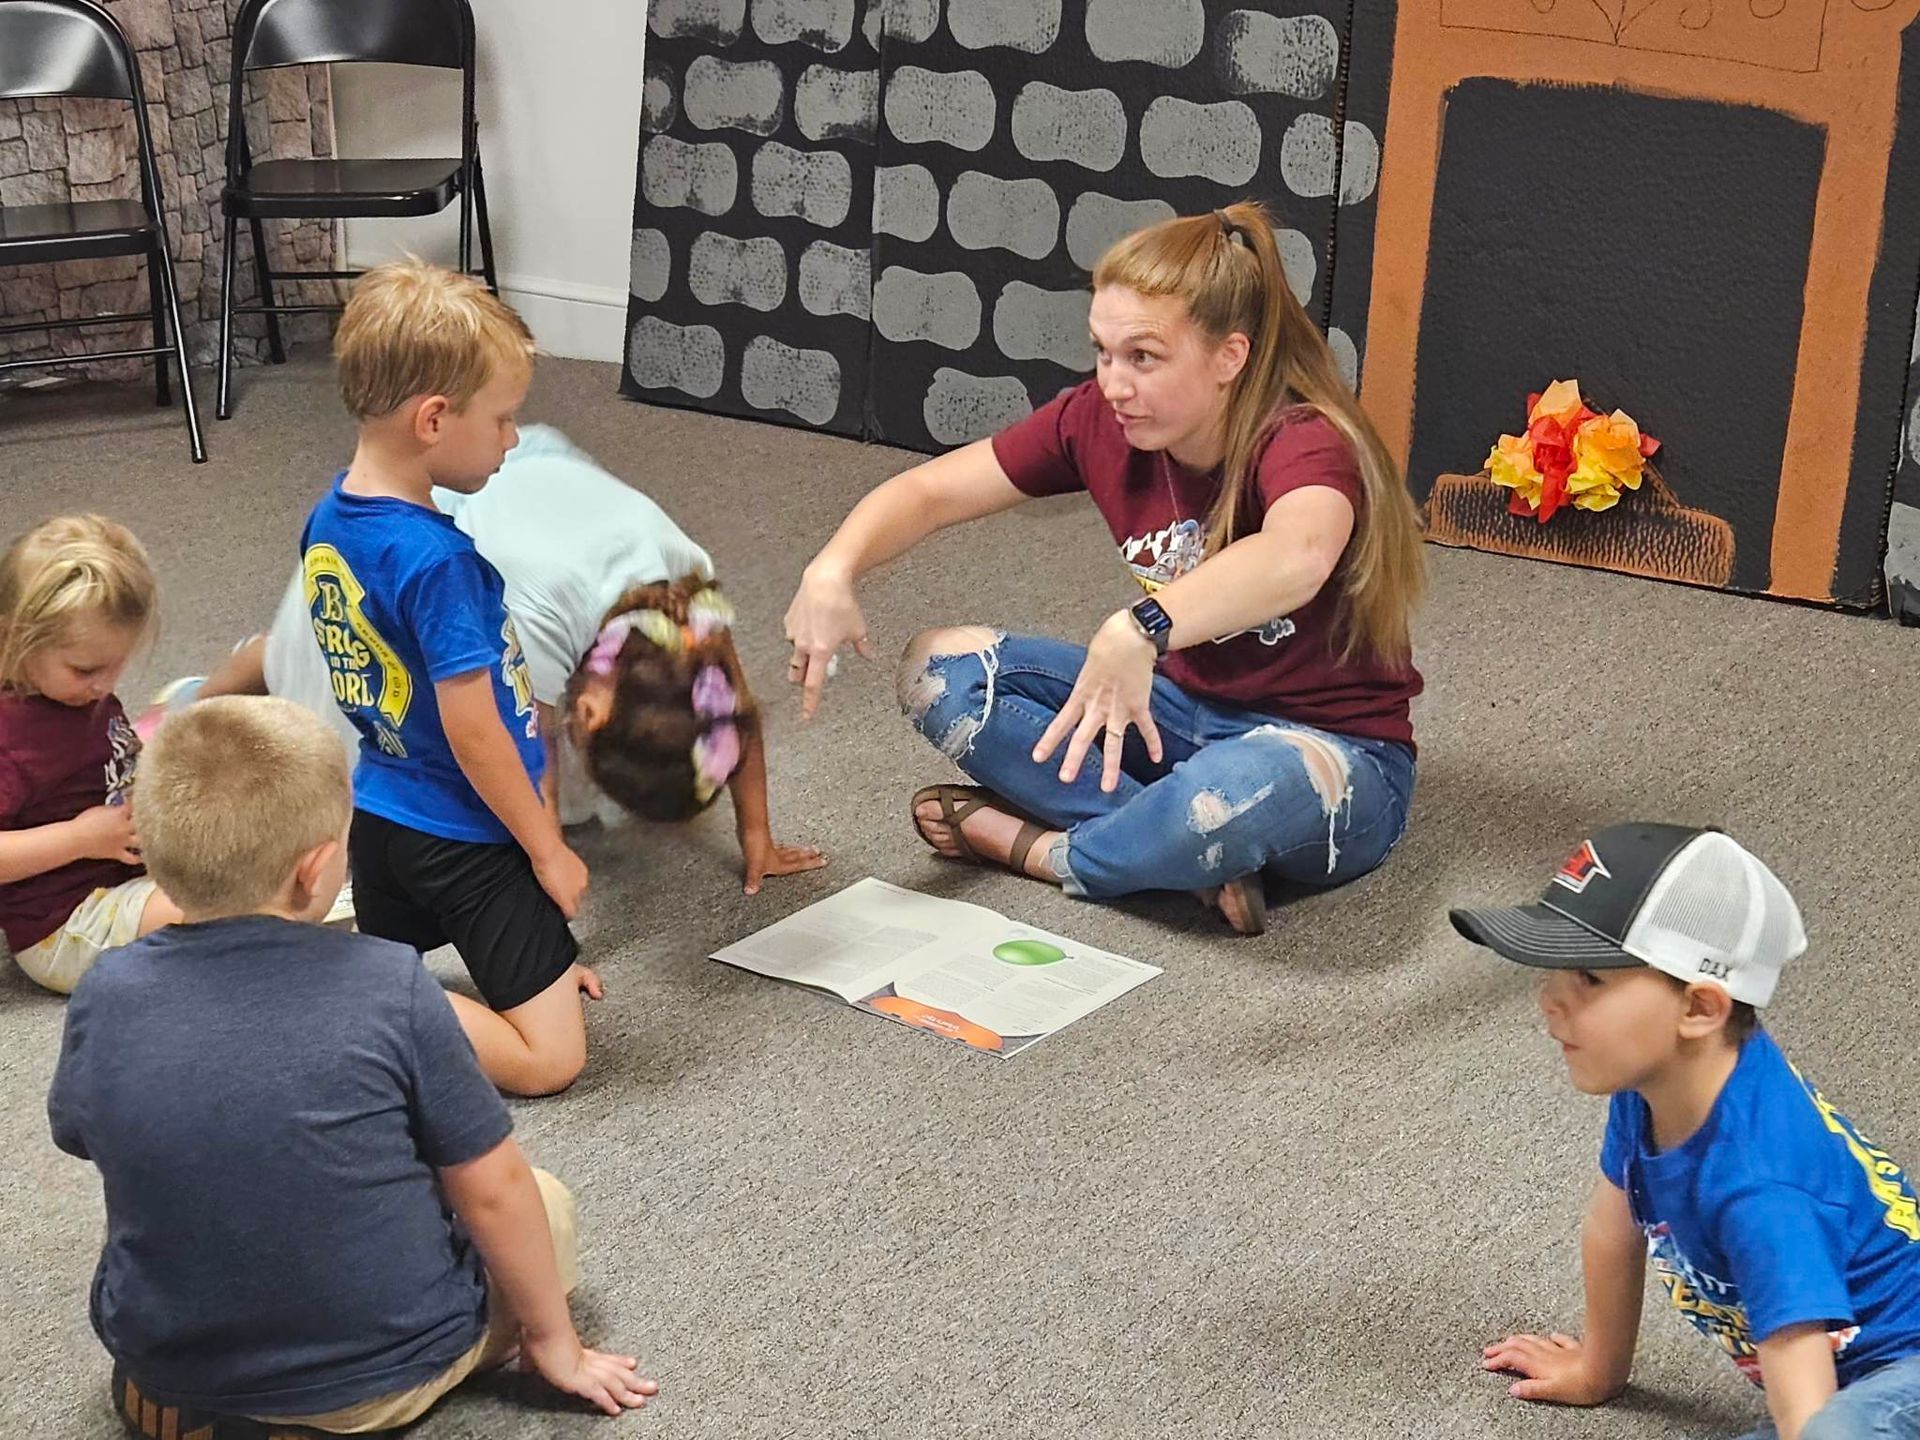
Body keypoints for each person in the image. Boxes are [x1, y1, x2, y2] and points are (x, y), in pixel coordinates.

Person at [783, 201, 1426, 935]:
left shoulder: (1305, 440)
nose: (1114, 384)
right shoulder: (1099, 419)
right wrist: (832, 569)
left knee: (1223, 797)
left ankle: (1047, 850)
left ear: (1229, 357)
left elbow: (1297, 556)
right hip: (1178, 716)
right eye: (1103, 352)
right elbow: (931, 491)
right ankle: (1178, 850)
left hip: (1332, 754)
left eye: (1143, 358)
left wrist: (1142, 625)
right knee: (940, 674)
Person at [49, 696, 655, 1433]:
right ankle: (335, 1403)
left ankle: (201, 1395)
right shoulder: (390, 986)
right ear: (315, 872)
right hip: (373, 1374)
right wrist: (554, 1343)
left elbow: (88, 1134)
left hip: (168, 1356)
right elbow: (493, 1190)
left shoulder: (104, 990)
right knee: (542, 1202)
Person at [176, 423, 823, 895]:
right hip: (449, 520)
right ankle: (222, 686)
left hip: (541, 488)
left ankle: (274, 655)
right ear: (588, 709)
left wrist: (756, 833)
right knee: (350, 711)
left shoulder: (692, 608)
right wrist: (547, 859)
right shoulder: (529, 617)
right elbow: (524, 747)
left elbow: (733, 710)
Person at [1455, 823, 1920, 1440]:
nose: (1550, 997)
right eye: (1558, 968)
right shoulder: (1654, 1086)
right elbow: (1611, 1228)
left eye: (1590, 978)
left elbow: (1807, 1391)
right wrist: (1598, 1371)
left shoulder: (1761, 1189)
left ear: (1700, 1008)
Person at [298, 259, 595, 1096]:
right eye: (503, 420)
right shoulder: (438, 562)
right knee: (551, 1060)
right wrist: (548, 850)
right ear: (433, 418)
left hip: (384, 813)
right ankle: (361, 1000)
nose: (511, 438)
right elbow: (473, 732)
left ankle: (370, 978)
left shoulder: (330, 517)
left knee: (540, 982)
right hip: (464, 834)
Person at [0, 514, 181, 993]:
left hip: (127, 865)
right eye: (86, 670)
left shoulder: (71, 694)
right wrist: (79, 839)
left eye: (117, 664)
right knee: (219, 908)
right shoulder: (10, 738)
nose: (105, 685)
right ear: (12, 639)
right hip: (66, 924)